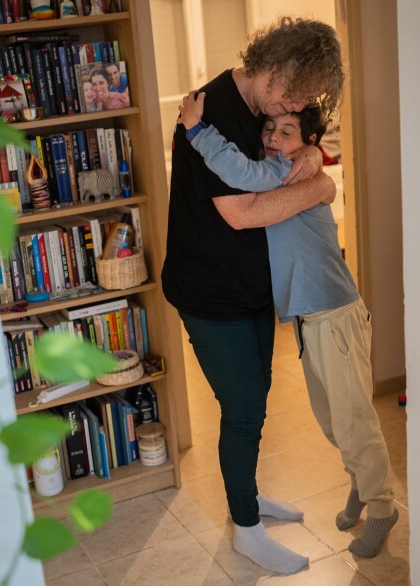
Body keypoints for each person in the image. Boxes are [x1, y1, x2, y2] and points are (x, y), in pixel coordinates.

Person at [178, 92, 399, 559]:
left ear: (309, 142)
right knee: (332, 419)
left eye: (287, 132)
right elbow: (246, 170)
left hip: (335, 316)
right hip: (310, 320)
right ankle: (361, 483)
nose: (273, 139)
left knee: (355, 419)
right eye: (269, 129)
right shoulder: (283, 166)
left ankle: (382, 505)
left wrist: (198, 130)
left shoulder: (296, 171)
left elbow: (241, 174)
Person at [161, 17, 344, 574]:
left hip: (250, 288)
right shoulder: (213, 111)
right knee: (242, 410)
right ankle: (246, 529)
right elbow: (243, 212)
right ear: (273, 60)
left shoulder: (266, 107)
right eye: (291, 90)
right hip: (210, 291)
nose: (290, 104)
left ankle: (249, 495)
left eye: (303, 97)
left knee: (256, 400)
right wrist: (320, 186)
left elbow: (312, 147)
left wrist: (311, 162)